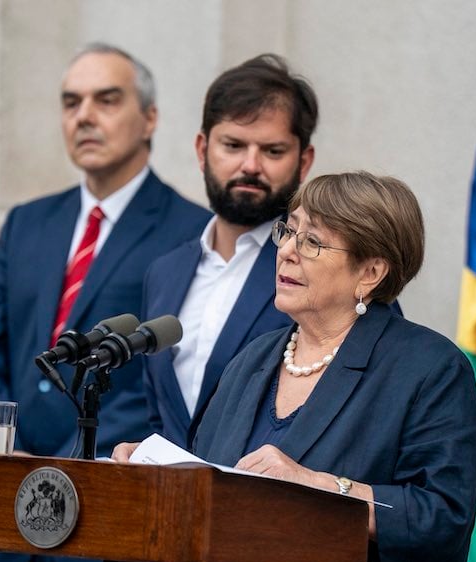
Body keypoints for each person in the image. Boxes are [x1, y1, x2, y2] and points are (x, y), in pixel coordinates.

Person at [117, 172, 476, 562]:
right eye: (288, 232)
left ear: (370, 273)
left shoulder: (429, 369)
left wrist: (316, 486)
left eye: (312, 241)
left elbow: (444, 516)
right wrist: (159, 470)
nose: (287, 251)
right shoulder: (251, 360)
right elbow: (214, 486)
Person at [0, 43, 209, 562]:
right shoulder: (27, 223)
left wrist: (76, 471)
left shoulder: (190, 232)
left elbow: (167, 381)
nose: (85, 116)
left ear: (150, 118)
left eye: (107, 100)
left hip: (107, 514)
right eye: (71, 103)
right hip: (13, 511)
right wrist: (8, 463)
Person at [143, 54, 400, 449]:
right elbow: (157, 414)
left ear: (304, 161)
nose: (251, 165)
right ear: (201, 149)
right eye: (233, 145)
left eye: (273, 151)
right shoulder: (164, 272)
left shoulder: (330, 272)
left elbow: (371, 415)